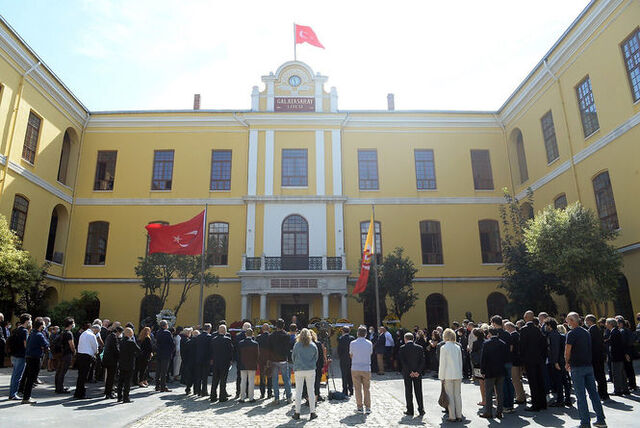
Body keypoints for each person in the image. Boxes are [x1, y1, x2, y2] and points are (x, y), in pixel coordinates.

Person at [565, 312, 606, 428]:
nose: (567, 323)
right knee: (594, 394)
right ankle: (601, 420)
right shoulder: (586, 332)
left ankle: (585, 423)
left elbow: (567, 351)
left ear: (572, 320)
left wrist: (567, 362)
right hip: (588, 366)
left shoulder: (571, 334)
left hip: (577, 367)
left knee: (581, 396)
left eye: (568, 320)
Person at [519, 310, 547, 411]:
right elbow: (543, 344)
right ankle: (543, 403)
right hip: (538, 359)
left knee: (533, 382)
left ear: (525, 318)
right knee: (540, 381)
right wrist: (542, 357)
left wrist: (522, 360)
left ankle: (535, 404)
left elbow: (522, 346)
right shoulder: (537, 329)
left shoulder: (524, 330)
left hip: (529, 360)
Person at [292, 328, 318, 421]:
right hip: (310, 369)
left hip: (299, 369)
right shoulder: (313, 345)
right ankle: (312, 412)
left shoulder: (297, 345)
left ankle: (297, 412)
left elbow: (293, 357)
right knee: (311, 391)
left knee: (298, 391)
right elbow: (316, 358)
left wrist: (297, 364)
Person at [21, 317, 49, 404]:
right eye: (43, 325)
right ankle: (26, 397)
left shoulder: (32, 333)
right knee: (31, 378)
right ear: (41, 326)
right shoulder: (39, 335)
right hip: (35, 358)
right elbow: (46, 345)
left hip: (29, 357)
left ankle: (26, 396)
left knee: (29, 377)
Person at [491, 315, 514, 413]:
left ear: (494, 323)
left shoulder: (496, 334)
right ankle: (510, 405)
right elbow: (511, 347)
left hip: (500, 362)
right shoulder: (507, 333)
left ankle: (505, 405)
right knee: (509, 382)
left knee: (502, 384)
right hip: (508, 360)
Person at [398, 332, 425, 416]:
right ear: (413, 339)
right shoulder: (419, 348)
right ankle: (421, 409)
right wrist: (418, 372)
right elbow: (422, 361)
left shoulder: (402, 348)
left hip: (407, 373)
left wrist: (410, 371)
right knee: (419, 391)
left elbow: (403, 362)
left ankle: (410, 410)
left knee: (408, 391)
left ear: (405, 339)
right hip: (417, 373)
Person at [439, 328, 463, 422]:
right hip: (457, 374)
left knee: (450, 396)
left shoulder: (444, 347)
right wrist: (460, 373)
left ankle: (452, 416)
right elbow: (460, 362)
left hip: (448, 375)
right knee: (458, 395)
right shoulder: (457, 347)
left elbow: (442, 364)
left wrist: (441, 377)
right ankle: (459, 415)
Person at [546, 318, 571, 406]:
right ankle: (567, 399)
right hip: (561, 360)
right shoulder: (559, 334)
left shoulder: (553, 335)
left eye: (546, 325)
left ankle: (560, 400)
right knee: (564, 380)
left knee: (559, 381)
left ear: (549, 326)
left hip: (557, 361)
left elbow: (555, 349)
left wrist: (555, 362)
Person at [268, 318, 292, 405]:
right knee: (286, 379)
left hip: (274, 360)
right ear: (283, 325)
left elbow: (269, 349)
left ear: (276, 326)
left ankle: (277, 398)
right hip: (283, 359)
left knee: (275, 380)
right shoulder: (287, 335)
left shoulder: (271, 336)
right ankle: (288, 397)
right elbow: (288, 348)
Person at [585, 314, 609, 400]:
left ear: (589, 321)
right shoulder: (597, 329)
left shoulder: (592, 330)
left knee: (599, 375)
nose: (586, 322)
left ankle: (602, 393)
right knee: (601, 375)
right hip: (599, 355)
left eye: (586, 320)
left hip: (595, 356)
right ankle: (603, 393)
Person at [350, 325, 373, 414]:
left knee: (357, 388)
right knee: (367, 389)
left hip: (355, 367)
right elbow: (370, 353)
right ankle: (368, 407)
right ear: (366, 334)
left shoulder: (352, 343)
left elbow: (351, 355)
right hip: (366, 367)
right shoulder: (369, 343)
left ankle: (359, 407)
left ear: (357, 333)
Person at [8, 314, 31, 400]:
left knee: (14, 375)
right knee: (18, 376)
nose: (30, 322)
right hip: (21, 355)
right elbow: (26, 344)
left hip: (14, 355)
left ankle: (12, 393)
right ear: (27, 321)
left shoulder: (16, 330)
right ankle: (13, 394)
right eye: (30, 320)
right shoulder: (24, 331)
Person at [74, 324, 100, 399]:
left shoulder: (83, 333)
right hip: (87, 356)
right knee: (84, 375)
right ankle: (81, 393)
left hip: (80, 355)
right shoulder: (92, 335)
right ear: (95, 330)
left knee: (80, 375)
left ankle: (78, 392)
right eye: (97, 332)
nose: (96, 333)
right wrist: (96, 352)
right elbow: (95, 347)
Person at [210, 324, 234, 402]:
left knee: (215, 380)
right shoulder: (227, 340)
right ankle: (222, 397)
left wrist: (212, 359)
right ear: (225, 331)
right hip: (224, 362)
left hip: (216, 362)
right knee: (223, 380)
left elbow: (211, 351)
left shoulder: (213, 339)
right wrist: (231, 360)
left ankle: (213, 396)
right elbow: (231, 351)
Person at [117, 327, 140, 403]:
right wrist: (134, 355)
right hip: (129, 364)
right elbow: (138, 351)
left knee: (120, 381)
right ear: (130, 333)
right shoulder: (131, 342)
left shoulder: (121, 341)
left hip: (121, 363)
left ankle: (119, 397)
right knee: (127, 381)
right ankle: (126, 397)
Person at [606, 318, 629, 395]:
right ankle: (625, 389)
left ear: (611, 324)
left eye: (607, 323)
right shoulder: (616, 331)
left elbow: (615, 345)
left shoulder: (614, 332)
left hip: (616, 356)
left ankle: (618, 390)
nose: (606, 325)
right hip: (619, 356)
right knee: (622, 374)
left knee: (616, 374)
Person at [54, 317, 76, 394]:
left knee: (59, 371)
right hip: (67, 354)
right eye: (73, 323)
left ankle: (58, 387)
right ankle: (60, 389)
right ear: (70, 324)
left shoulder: (62, 332)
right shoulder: (69, 333)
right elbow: (71, 345)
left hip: (61, 353)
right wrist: (74, 351)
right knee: (62, 372)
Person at [237, 327, 259, 402]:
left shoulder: (240, 343)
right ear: (252, 334)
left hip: (243, 364)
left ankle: (242, 397)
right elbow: (257, 355)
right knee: (251, 381)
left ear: (245, 334)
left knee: (243, 381)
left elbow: (238, 355)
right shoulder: (255, 344)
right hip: (252, 364)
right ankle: (251, 398)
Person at [102, 325, 123, 399]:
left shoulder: (109, 336)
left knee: (109, 377)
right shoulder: (114, 337)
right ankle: (109, 392)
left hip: (107, 359)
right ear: (118, 332)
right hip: (112, 360)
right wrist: (121, 355)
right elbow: (116, 349)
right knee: (111, 377)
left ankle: (107, 391)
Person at [155, 320, 174, 392]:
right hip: (166, 354)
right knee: (164, 371)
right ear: (165, 325)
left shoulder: (158, 332)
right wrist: (171, 351)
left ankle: (157, 386)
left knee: (158, 370)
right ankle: (163, 386)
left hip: (159, 353)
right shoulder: (167, 332)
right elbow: (172, 343)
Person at [193, 323, 212, 397]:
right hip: (206, 359)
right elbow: (210, 349)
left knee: (198, 375)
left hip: (198, 358)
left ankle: (198, 391)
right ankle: (204, 391)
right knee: (205, 376)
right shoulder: (209, 337)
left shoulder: (198, 337)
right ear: (209, 329)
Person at [255, 323, 272, 399]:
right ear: (269, 329)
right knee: (269, 377)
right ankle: (269, 393)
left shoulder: (258, 337)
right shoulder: (271, 337)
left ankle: (262, 393)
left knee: (262, 376)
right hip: (269, 359)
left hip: (261, 359)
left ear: (262, 330)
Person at [338, 326, 355, 396]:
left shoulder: (341, 338)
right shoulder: (352, 338)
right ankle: (351, 389)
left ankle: (345, 390)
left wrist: (340, 356)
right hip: (351, 358)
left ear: (343, 331)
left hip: (343, 359)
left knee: (344, 375)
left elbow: (339, 350)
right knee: (350, 375)